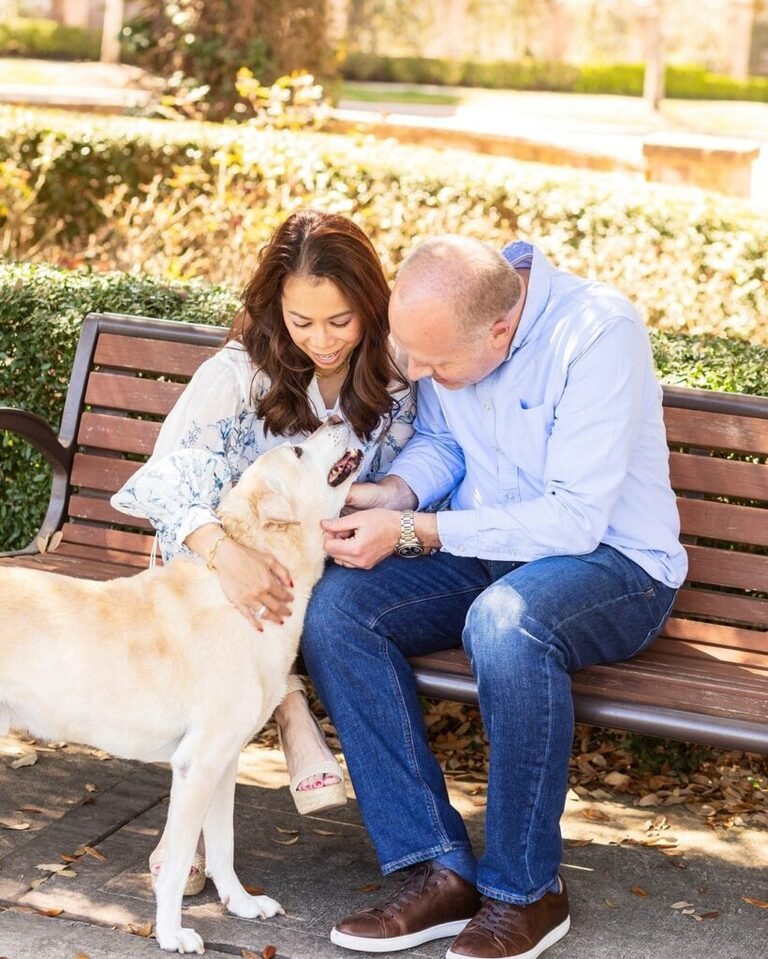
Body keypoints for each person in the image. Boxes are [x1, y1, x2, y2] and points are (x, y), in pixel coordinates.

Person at [300, 236, 688, 959]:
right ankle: (438, 866)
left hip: (615, 566)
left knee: (507, 625)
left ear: (500, 332)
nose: (416, 374)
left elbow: (574, 517)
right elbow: (445, 444)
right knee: (338, 611)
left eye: (435, 363)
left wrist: (415, 529)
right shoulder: (456, 313)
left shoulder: (599, 333)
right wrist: (392, 493)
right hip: (489, 552)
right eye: (409, 353)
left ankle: (526, 890)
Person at [111, 208, 415, 893]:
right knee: (235, 612)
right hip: (219, 561)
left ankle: (284, 698)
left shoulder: (399, 378)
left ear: (371, 302)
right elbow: (162, 483)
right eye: (302, 321)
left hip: (340, 566)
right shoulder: (241, 371)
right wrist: (225, 555)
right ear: (277, 306)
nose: (321, 341)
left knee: (327, 605)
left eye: (341, 320)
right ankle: (282, 711)